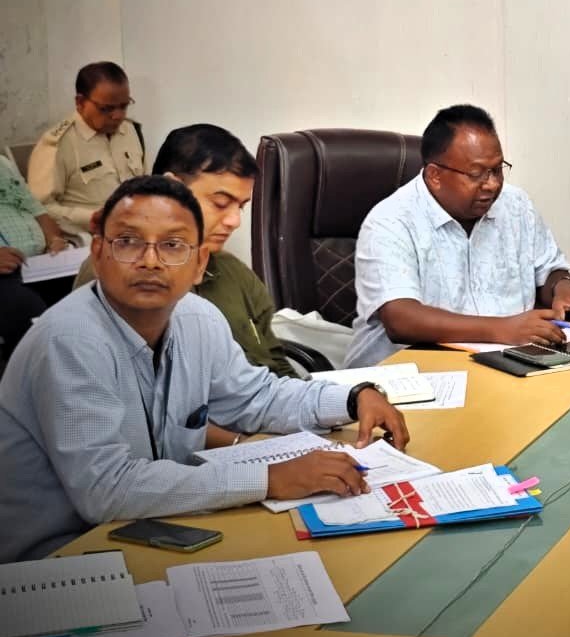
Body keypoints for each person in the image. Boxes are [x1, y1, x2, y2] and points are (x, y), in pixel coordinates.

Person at [0, 175, 409, 562]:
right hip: (58, 560)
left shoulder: (197, 318)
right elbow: (107, 489)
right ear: (98, 252)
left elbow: (257, 397)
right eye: (127, 242)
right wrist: (270, 478)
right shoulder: (69, 339)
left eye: (172, 245)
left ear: (199, 262)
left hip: (155, 531)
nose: (150, 261)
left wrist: (352, 398)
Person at [346, 104, 570, 368]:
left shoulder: (516, 205)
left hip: (508, 364)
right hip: (406, 376)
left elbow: (547, 271)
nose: (492, 184)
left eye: (497, 170)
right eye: (476, 174)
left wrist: (564, 287)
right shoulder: (390, 222)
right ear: (435, 176)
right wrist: (502, 329)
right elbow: (401, 319)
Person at [76, 124, 294, 380]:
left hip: (264, 400)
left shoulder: (233, 271)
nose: (234, 221)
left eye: (241, 207)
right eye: (220, 203)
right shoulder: (115, 272)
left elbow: (276, 362)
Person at [28, 61, 146, 234]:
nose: (118, 116)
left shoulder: (130, 130)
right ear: (80, 102)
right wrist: (90, 218)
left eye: (124, 106)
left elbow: (145, 182)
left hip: (137, 228)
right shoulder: (58, 144)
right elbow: (39, 209)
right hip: (91, 236)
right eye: (106, 109)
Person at [0, 154, 78, 361]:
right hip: (5, 276)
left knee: (96, 293)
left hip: (41, 264)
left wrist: (54, 239)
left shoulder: (3, 164)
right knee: (33, 319)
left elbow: (38, 211)